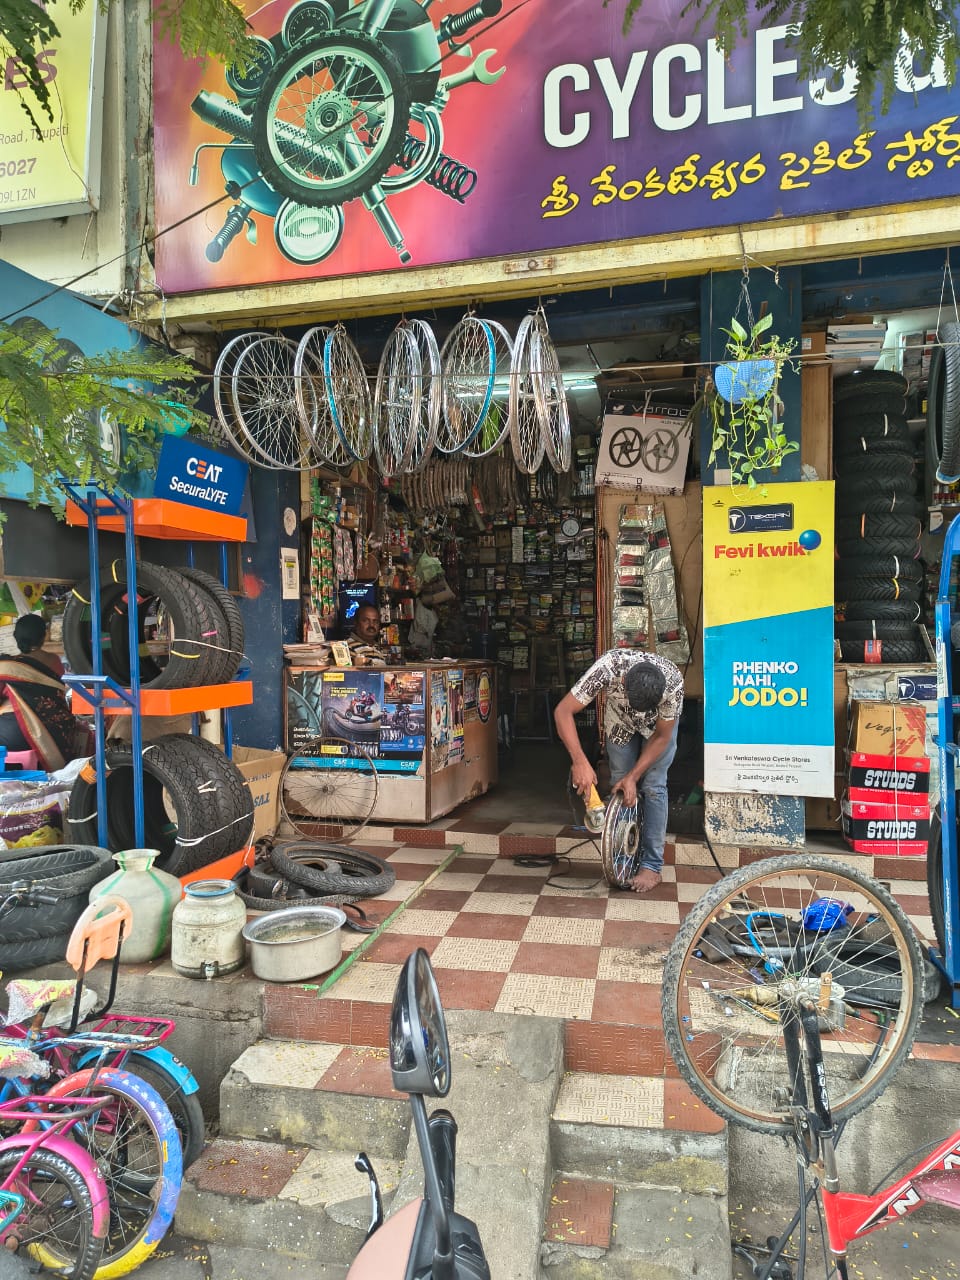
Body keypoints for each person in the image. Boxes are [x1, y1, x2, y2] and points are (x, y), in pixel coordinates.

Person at [554, 649, 684, 894]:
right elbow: (563, 711)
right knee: (620, 785)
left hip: (656, 731)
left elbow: (662, 736)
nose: (641, 713)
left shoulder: (673, 682)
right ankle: (623, 855)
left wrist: (634, 777)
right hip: (620, 723)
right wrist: (579, 761)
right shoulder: (608, 668)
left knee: (653, 786)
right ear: (623, 681)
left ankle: (651, 865)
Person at [0, 614, 83, 771]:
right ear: (44, 636)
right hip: (53, 733)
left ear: (15, 637)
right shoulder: (54, 660)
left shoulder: (7, 665)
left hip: (10, 735)